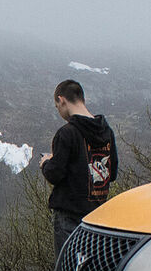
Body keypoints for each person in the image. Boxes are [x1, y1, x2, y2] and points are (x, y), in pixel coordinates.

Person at [39, 79, 118, 255]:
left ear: (62, 100)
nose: (58, 110)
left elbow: (55, 174)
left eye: (57, 106)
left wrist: (46, 163)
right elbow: (111, 174)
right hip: (97, 216)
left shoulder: (67, 133)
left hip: (69, 218)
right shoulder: (107, 132)